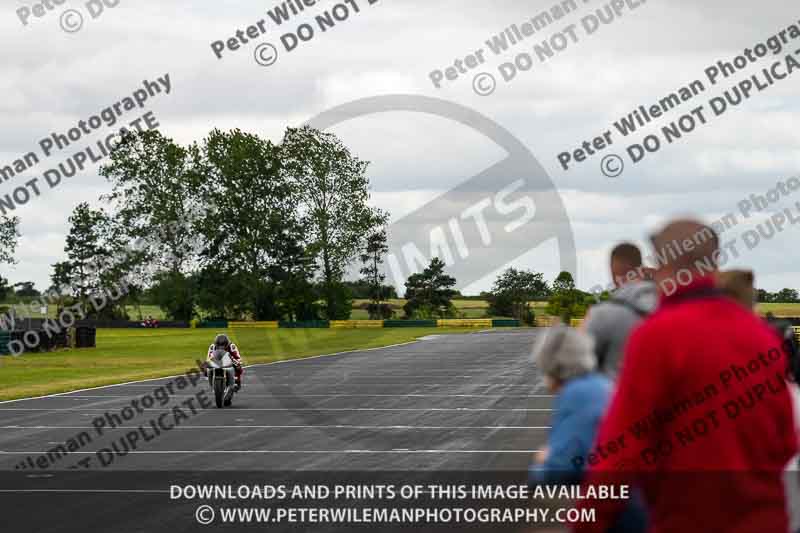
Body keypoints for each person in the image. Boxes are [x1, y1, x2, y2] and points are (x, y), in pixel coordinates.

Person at [575, 219, 798, 533]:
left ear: (662, 264)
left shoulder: (655, 337)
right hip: (765, 519)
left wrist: (588, 519)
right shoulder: (761, 335)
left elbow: (621, 449)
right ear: (715, 261)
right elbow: (786, 440)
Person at [528, 326, 646, 532]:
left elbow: (561, 469)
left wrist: (542, 465)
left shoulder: (577, 394)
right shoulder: (601, 385)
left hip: (617, 514)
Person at [583, 243, 657, 380]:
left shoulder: (602, 314)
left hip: (619, 394)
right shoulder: (672, 306)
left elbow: (580, 363)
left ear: (612, 272)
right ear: (640, 268)